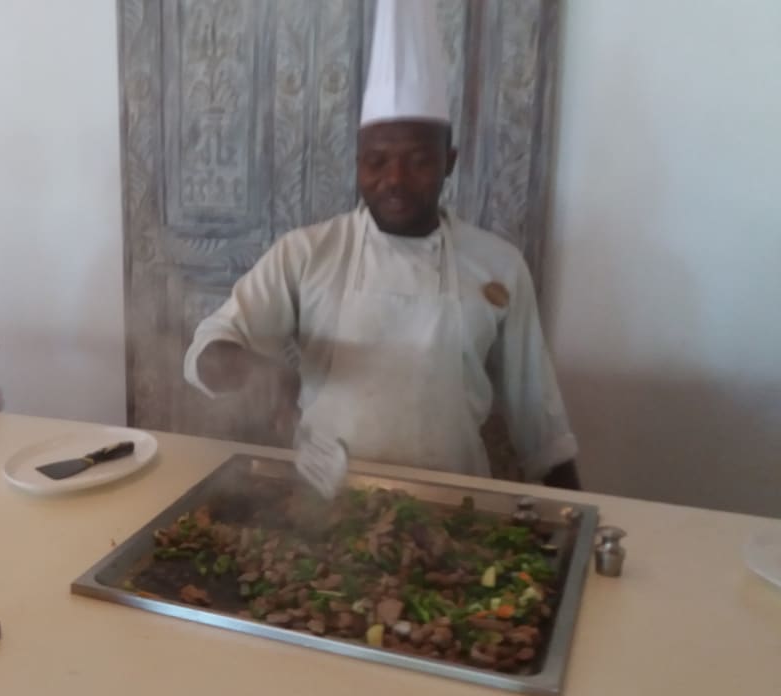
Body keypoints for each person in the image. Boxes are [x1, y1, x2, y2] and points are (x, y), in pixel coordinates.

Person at [183, 0, 580, 489]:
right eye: (376, 161)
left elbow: (541, 427)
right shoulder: (306, 254)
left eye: (418, 160)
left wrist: (581, 514)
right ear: (357, 164)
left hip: (453, 506)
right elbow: (206, 349)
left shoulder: (499, 266)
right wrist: (251, 370)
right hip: (326, 502)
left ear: (449, 161)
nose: (395, 179)